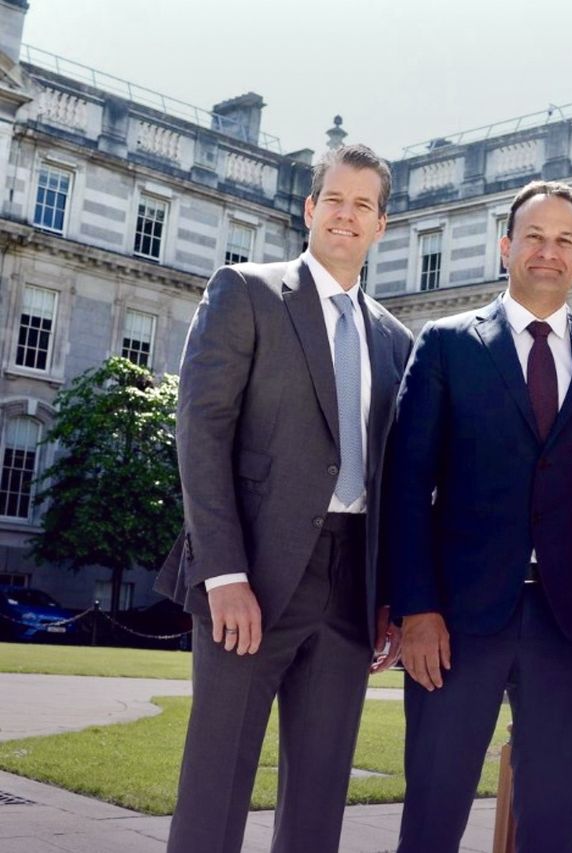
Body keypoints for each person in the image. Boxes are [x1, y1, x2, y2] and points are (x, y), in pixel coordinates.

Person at [155, 144, 414, 853]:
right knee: (216, 783)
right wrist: (223, 572)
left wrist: (388, 592)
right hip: (254, 576)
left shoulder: (396, 339)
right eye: (334, 198)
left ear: (381, 225)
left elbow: (394, 477)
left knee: (319, 796)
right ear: (309, 208)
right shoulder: (246, 292)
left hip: (350, 586)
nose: (346, 214)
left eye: (363, 205)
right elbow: (201, 431)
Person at [383, 180, 572, 853]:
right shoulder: (446, 345)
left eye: (565, 240)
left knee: (552, 820)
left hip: (569, 626)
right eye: (534, 236)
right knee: (433, 811)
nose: (548, 251)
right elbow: (407, 483)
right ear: (506, 246)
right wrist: (415, 607)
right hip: (455, 622)